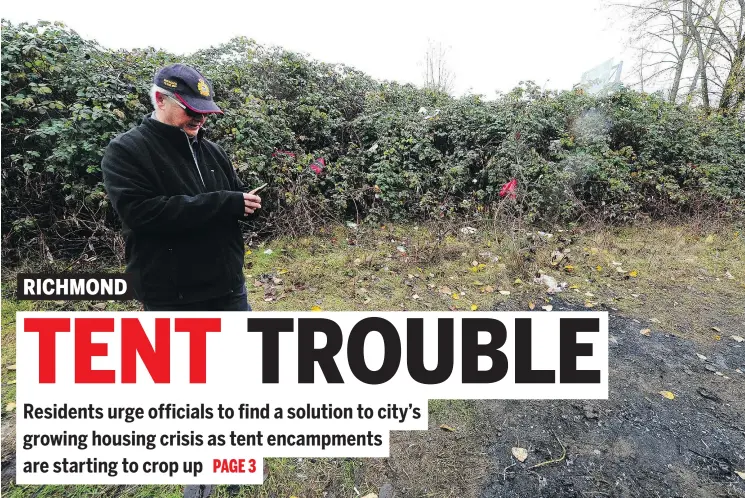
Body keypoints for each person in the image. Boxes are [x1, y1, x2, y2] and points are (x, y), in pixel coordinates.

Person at [102, 63, 262, 311]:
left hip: (229, 290)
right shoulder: (126, 150)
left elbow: (234, 197)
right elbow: (141, 213)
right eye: (190, 109)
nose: (200, 118)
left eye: (205, 111)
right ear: (160, 99)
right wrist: (225, 202)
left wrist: (249, 205)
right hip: (172, 297)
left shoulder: (213, 151)